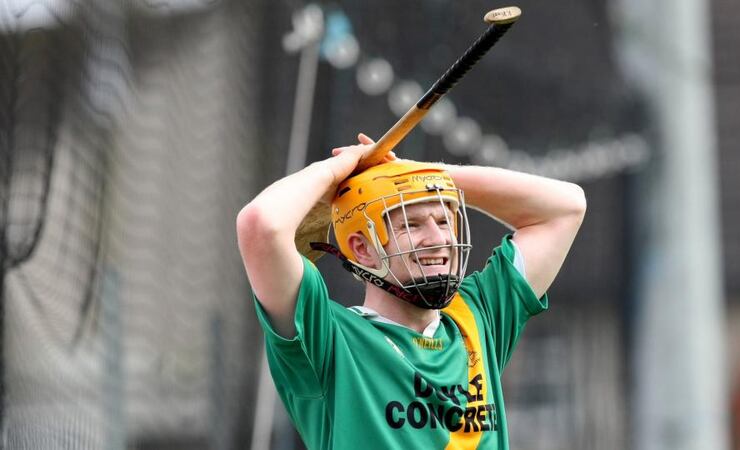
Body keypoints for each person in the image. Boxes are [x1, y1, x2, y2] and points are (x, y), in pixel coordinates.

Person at [236, 133, 586, 449]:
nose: (438, 239)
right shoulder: (328, 341)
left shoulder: (480, 315)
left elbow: (566, 207)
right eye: (412, 225)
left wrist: (421, 172)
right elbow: (261, 225)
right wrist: (337, 170)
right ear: (362, 249)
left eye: (444, 221)